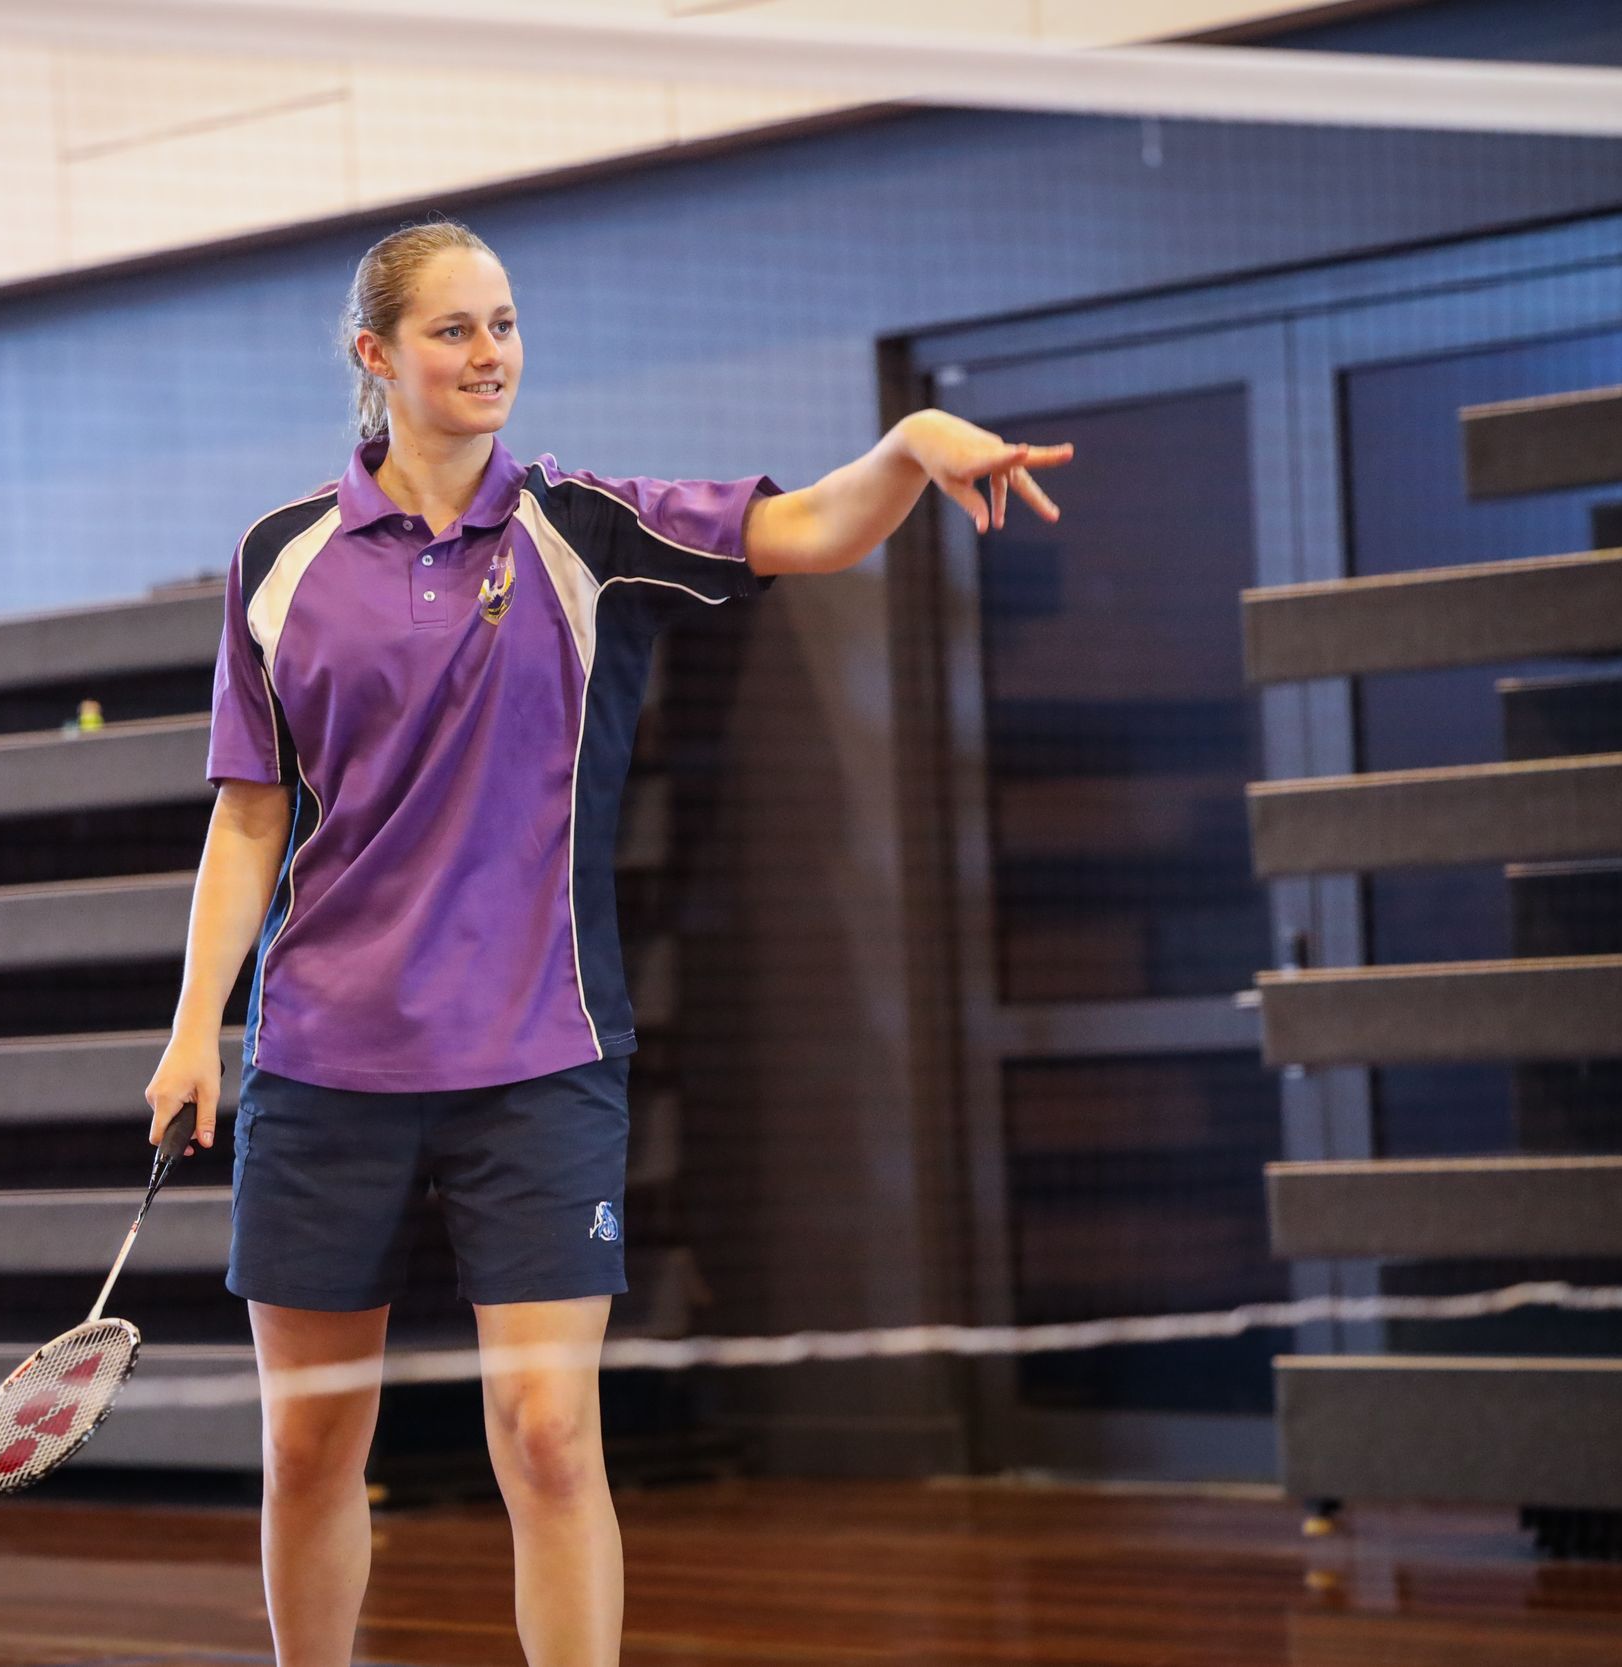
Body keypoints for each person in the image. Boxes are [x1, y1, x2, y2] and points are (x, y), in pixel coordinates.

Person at [144, 217, 1070, 1667]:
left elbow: (811, 528)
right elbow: (252, 811)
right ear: (375, 353)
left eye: (505, 323)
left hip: (541, 1054)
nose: (490, 353)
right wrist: (197, 1023)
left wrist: (908, 445)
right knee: (311, 1445)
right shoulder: (280, 557)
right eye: (454, 329)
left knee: (549, 1433)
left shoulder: (584, 529)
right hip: (325, 1059)